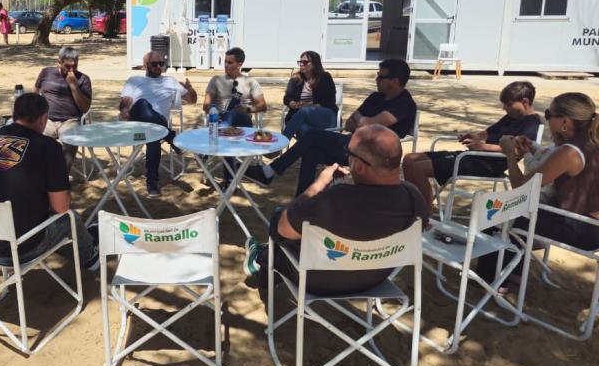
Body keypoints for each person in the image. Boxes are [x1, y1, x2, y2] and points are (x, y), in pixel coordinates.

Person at [243, 125, 429, 295]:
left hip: (317, 282)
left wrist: (318, 185)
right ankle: (263, 257)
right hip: (376, 279)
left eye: (349, 153)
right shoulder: (413, 197)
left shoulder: (334, 200)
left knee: (278, 217)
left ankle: (261, 258)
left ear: (359, 166)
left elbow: (282, 229)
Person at [0, 93, 99, 270]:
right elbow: (61, 207)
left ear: (14, 115)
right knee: (69, 219)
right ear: (43, 118)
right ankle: (89, 257)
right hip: (17, 249)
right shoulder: (48, 146)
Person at [247, 58, 417, 196]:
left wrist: (363, 121)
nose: (376, 79)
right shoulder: (376, 97)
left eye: (381, 77)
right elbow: (351, 122)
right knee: (310, 151)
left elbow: (367, 123)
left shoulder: (404, 103)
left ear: (394, 81)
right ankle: (302, 200)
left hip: (374, 156)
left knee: (313, 135)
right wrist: (364, 121)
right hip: (353, 144)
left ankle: (270, 171)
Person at [477, 92, 599, 282]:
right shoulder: (590, 142)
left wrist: (510, 153)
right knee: (514, 210)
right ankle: (513, 272)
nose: (547, 119)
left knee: (495, 212)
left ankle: (490, 279)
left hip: (581, 228)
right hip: (589, 224)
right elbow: (555, 159)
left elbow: (522, 187)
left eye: (550, 114)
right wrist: (532, 148)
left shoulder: (570, 152)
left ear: (565, 121)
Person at [403, 80, 540, 211]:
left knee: (418, 169)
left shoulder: (531, 124)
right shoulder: (511, 116)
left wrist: (482, 147)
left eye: (508, 104)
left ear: (525, 102)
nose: (504, 108)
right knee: (410, 159)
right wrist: (474, 138)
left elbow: (516, 151)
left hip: (487, 165)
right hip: (473, 157)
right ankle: (413, 205)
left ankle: (423, 213)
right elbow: (487, 132)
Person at [119, 51, 197, 197]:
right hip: (137, 126)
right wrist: (124, 109)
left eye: (161, 63)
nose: (158, 67)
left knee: (154, 135)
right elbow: (126, 100)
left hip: (157, 128)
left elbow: (192, 100)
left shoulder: (170, 81)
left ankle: (152, 183)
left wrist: (190, 89)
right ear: (145, 66)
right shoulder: (134, 80)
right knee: (143, 104)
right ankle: (172, 137)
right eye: (154, 64)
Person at [34, 46, 92, 171]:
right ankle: (41, 176)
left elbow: (85, 107)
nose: (71, 69)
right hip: (47, 119)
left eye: (74, 66)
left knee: (71, 139)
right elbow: (36, 91)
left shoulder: (83, 79)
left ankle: (61, 179)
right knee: (35, 140)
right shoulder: (46, 73)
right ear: (58, 63)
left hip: (70, 120)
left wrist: (74, 86)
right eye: (67, 66)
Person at [203, 47, 267, 126]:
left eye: (230, 63)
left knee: (234, 112)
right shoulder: (216, 80)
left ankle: (222, 128)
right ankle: (223, 127)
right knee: (230, 114)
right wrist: (215, 114)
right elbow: (206, 105)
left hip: (242, 121)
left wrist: (247, 109)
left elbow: (263, 106)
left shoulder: (250, 82)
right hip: (220, 118)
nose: (226, 65)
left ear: (239, 65)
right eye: (225, 62)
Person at [282, 50, 338, 138]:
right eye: (300, 62)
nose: (301, 64)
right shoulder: (295, 79)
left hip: (325, 116)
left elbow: (330, 100)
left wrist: (310, 105)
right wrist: (291, 103)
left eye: (305, 62)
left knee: (305, 111)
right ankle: (315, 150)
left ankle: (280, 144)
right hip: (300, 118)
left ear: (315, 64)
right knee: (304, 129)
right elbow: (287, 97)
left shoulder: (325, 77)